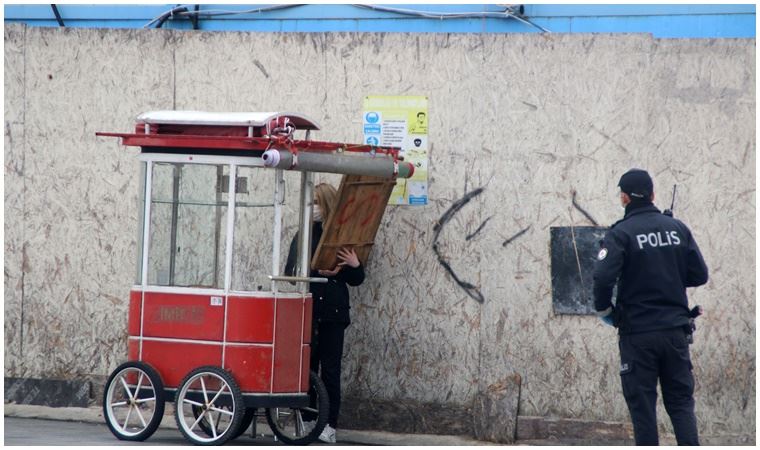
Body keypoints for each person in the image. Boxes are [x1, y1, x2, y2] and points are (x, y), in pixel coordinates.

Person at [593, 168, 708, 446]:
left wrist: (605, 312)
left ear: (623, 198)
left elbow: (602, 276)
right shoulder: (678, 228)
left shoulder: (620, 234)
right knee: (681, 405)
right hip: (675, 333)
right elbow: (700, 275)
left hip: (638, 336)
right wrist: (668, 271)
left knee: (643, 409)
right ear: (653, 195)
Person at [284, 182, 365, 444]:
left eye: (317, 203)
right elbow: (291, 271)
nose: (313, 209)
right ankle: (309, 419)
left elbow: (357, 278)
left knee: (330, 370)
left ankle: (330, 423)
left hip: (333, 312)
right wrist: (312, 271)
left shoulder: (340, 237)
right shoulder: (304, 234)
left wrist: (352, 266)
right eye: (310, 203)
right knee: (308, 368)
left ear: (327, 205)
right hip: (309, 309)